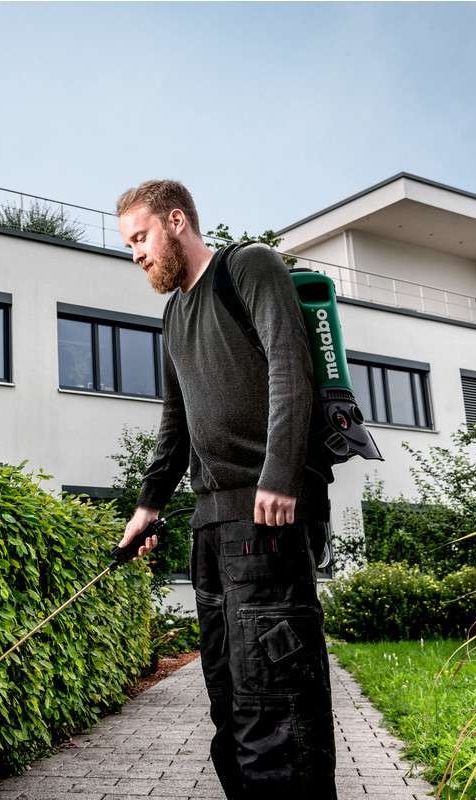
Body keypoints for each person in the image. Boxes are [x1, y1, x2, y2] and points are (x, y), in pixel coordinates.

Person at [115, 179, 336, 799]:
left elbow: (290, 364)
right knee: (229, 701)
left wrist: (280, 475)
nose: (136, 254)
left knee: (275, 703)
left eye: (140, 237)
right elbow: (176, 418)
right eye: (129, 244)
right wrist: (148, 505)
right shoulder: (173, 314)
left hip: (266, 518)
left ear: (176, 220)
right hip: (210, 528)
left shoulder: (249, 267)